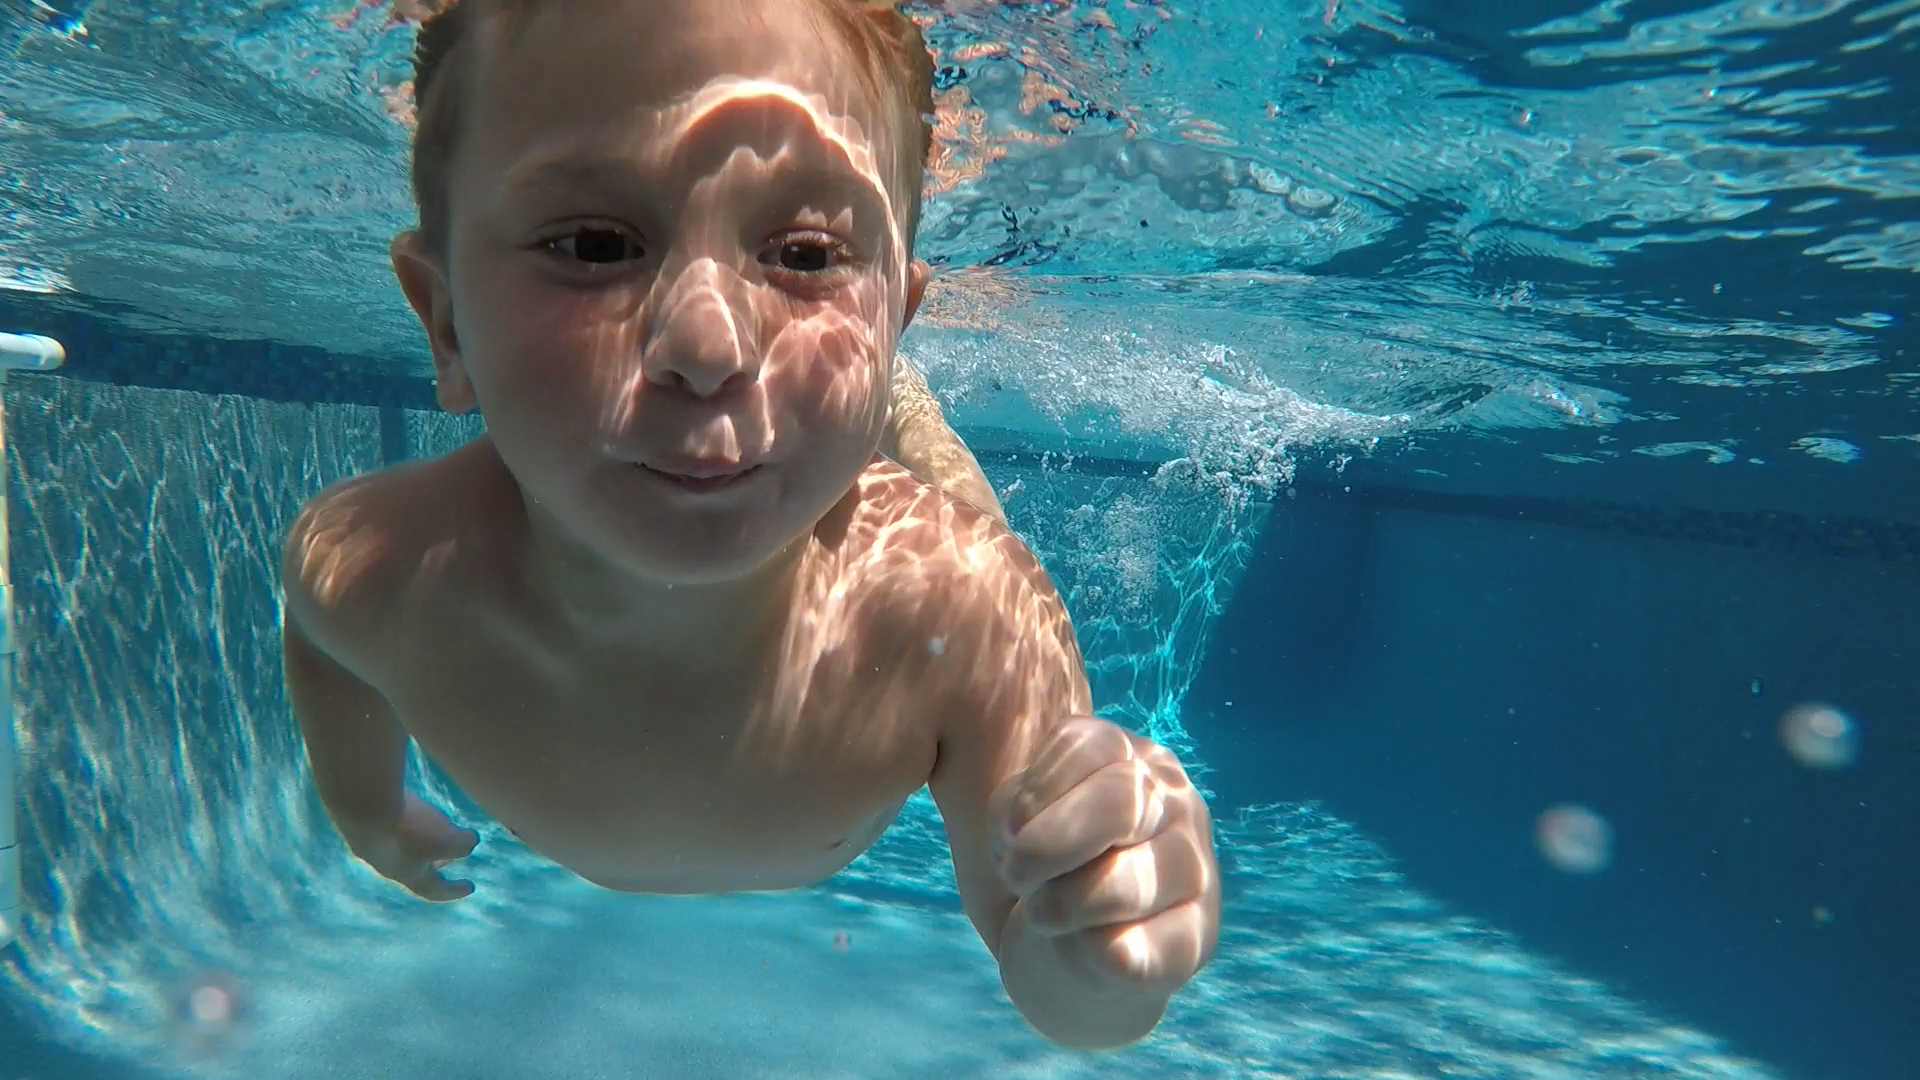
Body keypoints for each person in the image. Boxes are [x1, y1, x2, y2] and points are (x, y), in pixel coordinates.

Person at [280, 0, 1217, 1049]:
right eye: (595, 244)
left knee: (962, 520)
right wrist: (364, 807)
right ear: (446, 323)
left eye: (808, 254)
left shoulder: (970, 615)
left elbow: (1049, 974)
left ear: (891, 320)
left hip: (905, 555)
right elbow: (322, 641)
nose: (708, 345)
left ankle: (899, 409)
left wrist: (1108, 950)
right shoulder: (374, 566)